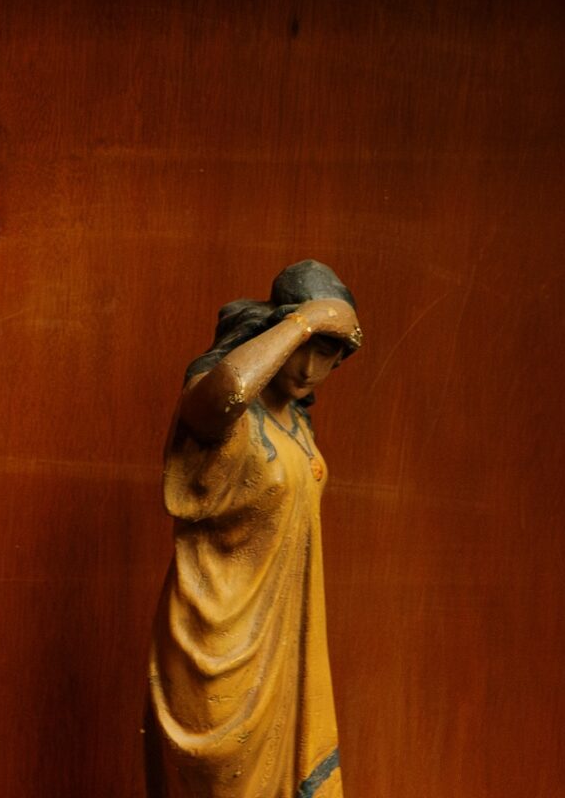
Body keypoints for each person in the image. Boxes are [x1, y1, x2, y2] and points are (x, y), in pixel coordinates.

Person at [146, 261, 363, 798]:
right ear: (275, 330)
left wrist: (313, 325)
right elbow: (227, 391)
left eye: (331, 354)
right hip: (216, 640)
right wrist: (303, 322)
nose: (313, 367)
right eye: (307, 346)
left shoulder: (298, 426)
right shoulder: (225, 409)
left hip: (283, 642)